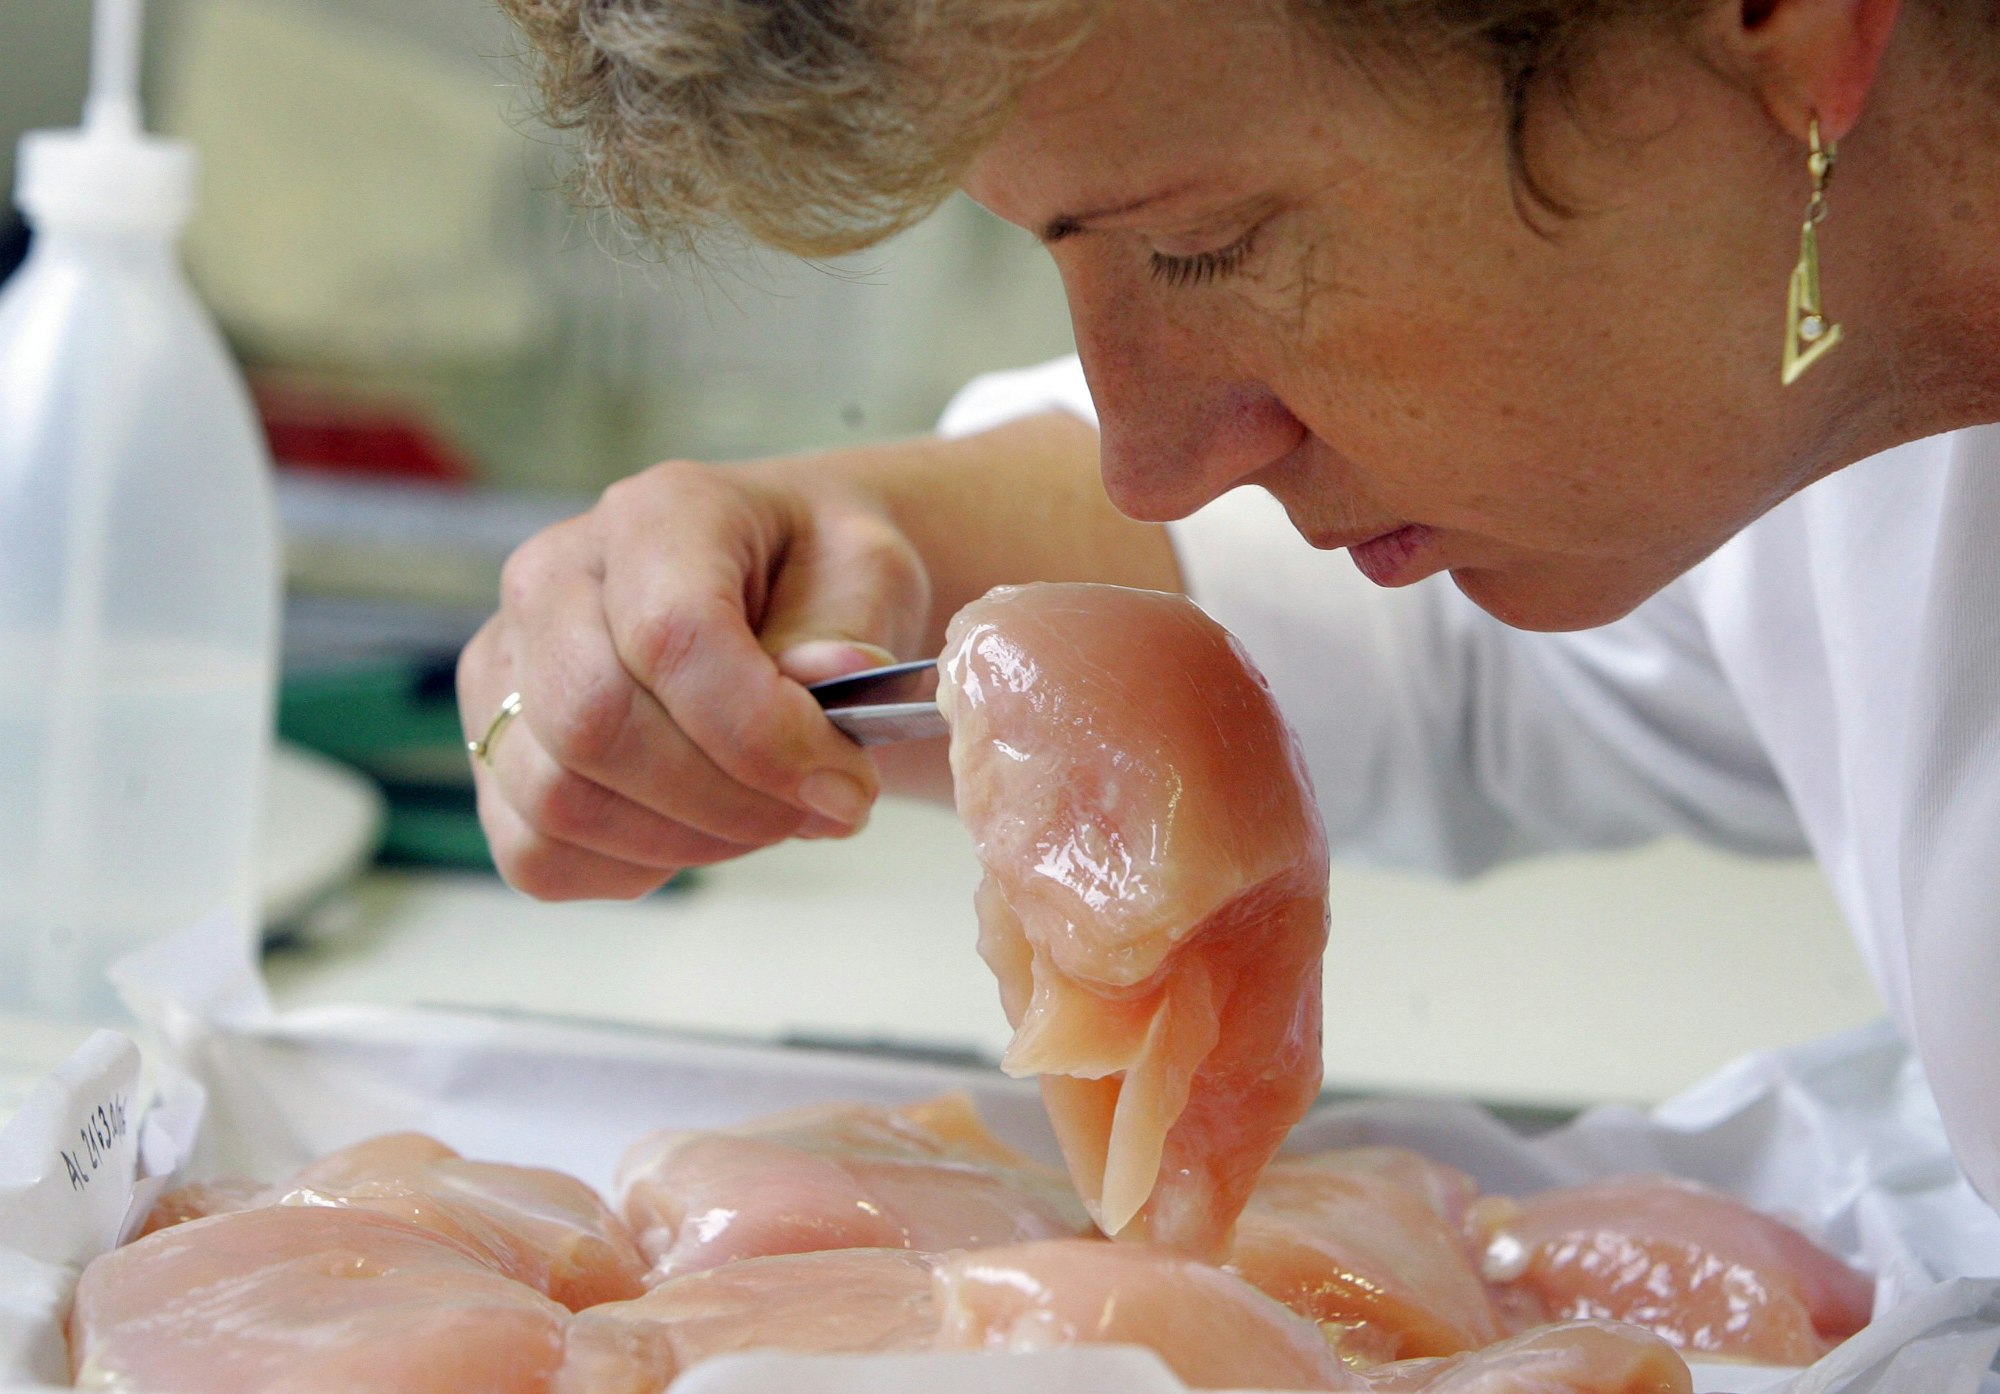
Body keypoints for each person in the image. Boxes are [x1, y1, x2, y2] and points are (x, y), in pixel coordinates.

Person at [461, 0, 2000, 1209]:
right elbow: (1454, 657)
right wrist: (846, 546)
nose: (1147, 467)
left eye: (1203, 248)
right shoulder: (1783, 412)